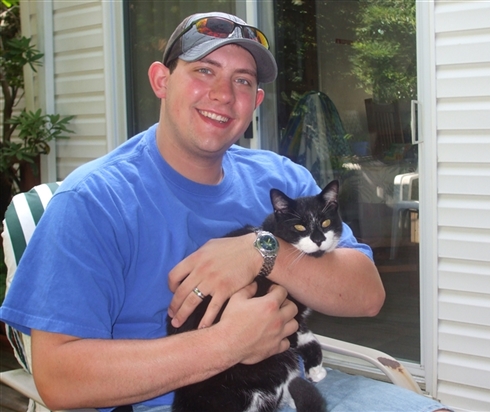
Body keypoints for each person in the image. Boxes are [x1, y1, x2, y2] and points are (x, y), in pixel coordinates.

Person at [0, 11, 449, 412]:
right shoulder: (94, 201)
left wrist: (261, 251)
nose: (221, 93)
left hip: (293, 389)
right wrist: (226, 345)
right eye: (203, 70)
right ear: (161, 80)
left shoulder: (282, 181)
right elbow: (59, 379)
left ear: (255, 103)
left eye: (242, 80)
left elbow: (367, 296)